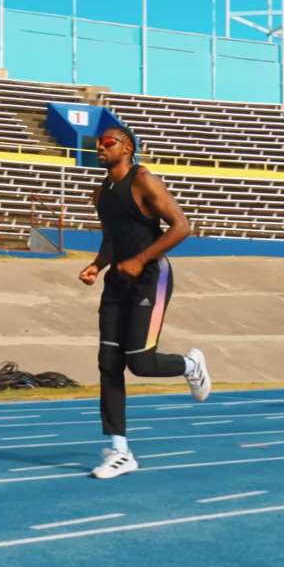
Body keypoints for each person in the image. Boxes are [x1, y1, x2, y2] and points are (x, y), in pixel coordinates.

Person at [78, 123, 211, 480]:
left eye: (107, 143)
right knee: (108, 362)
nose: (99, 148)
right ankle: (119, 450)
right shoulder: (100, 194)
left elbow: (182, 226)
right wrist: (96, 264)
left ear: (127, 148)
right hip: (116, 283)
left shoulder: (143, 181)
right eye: (97, 144)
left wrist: (140, 260)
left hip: (152, 279)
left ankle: (190, 365)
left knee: (139, 361)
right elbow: (112, 238)